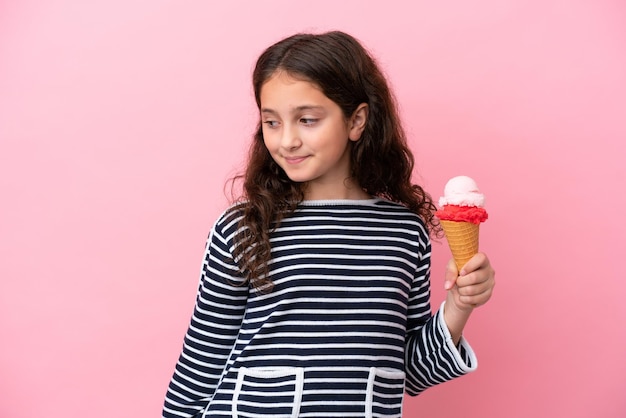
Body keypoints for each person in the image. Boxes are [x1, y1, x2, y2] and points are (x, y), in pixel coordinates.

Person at [162, 30, 495, 418]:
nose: (286, 140)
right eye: (271, 122)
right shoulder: (243, 227)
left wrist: (458, 305)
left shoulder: (405, 232)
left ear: (356, 121)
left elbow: (409, 373)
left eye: (307, 120)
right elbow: (202, 358)